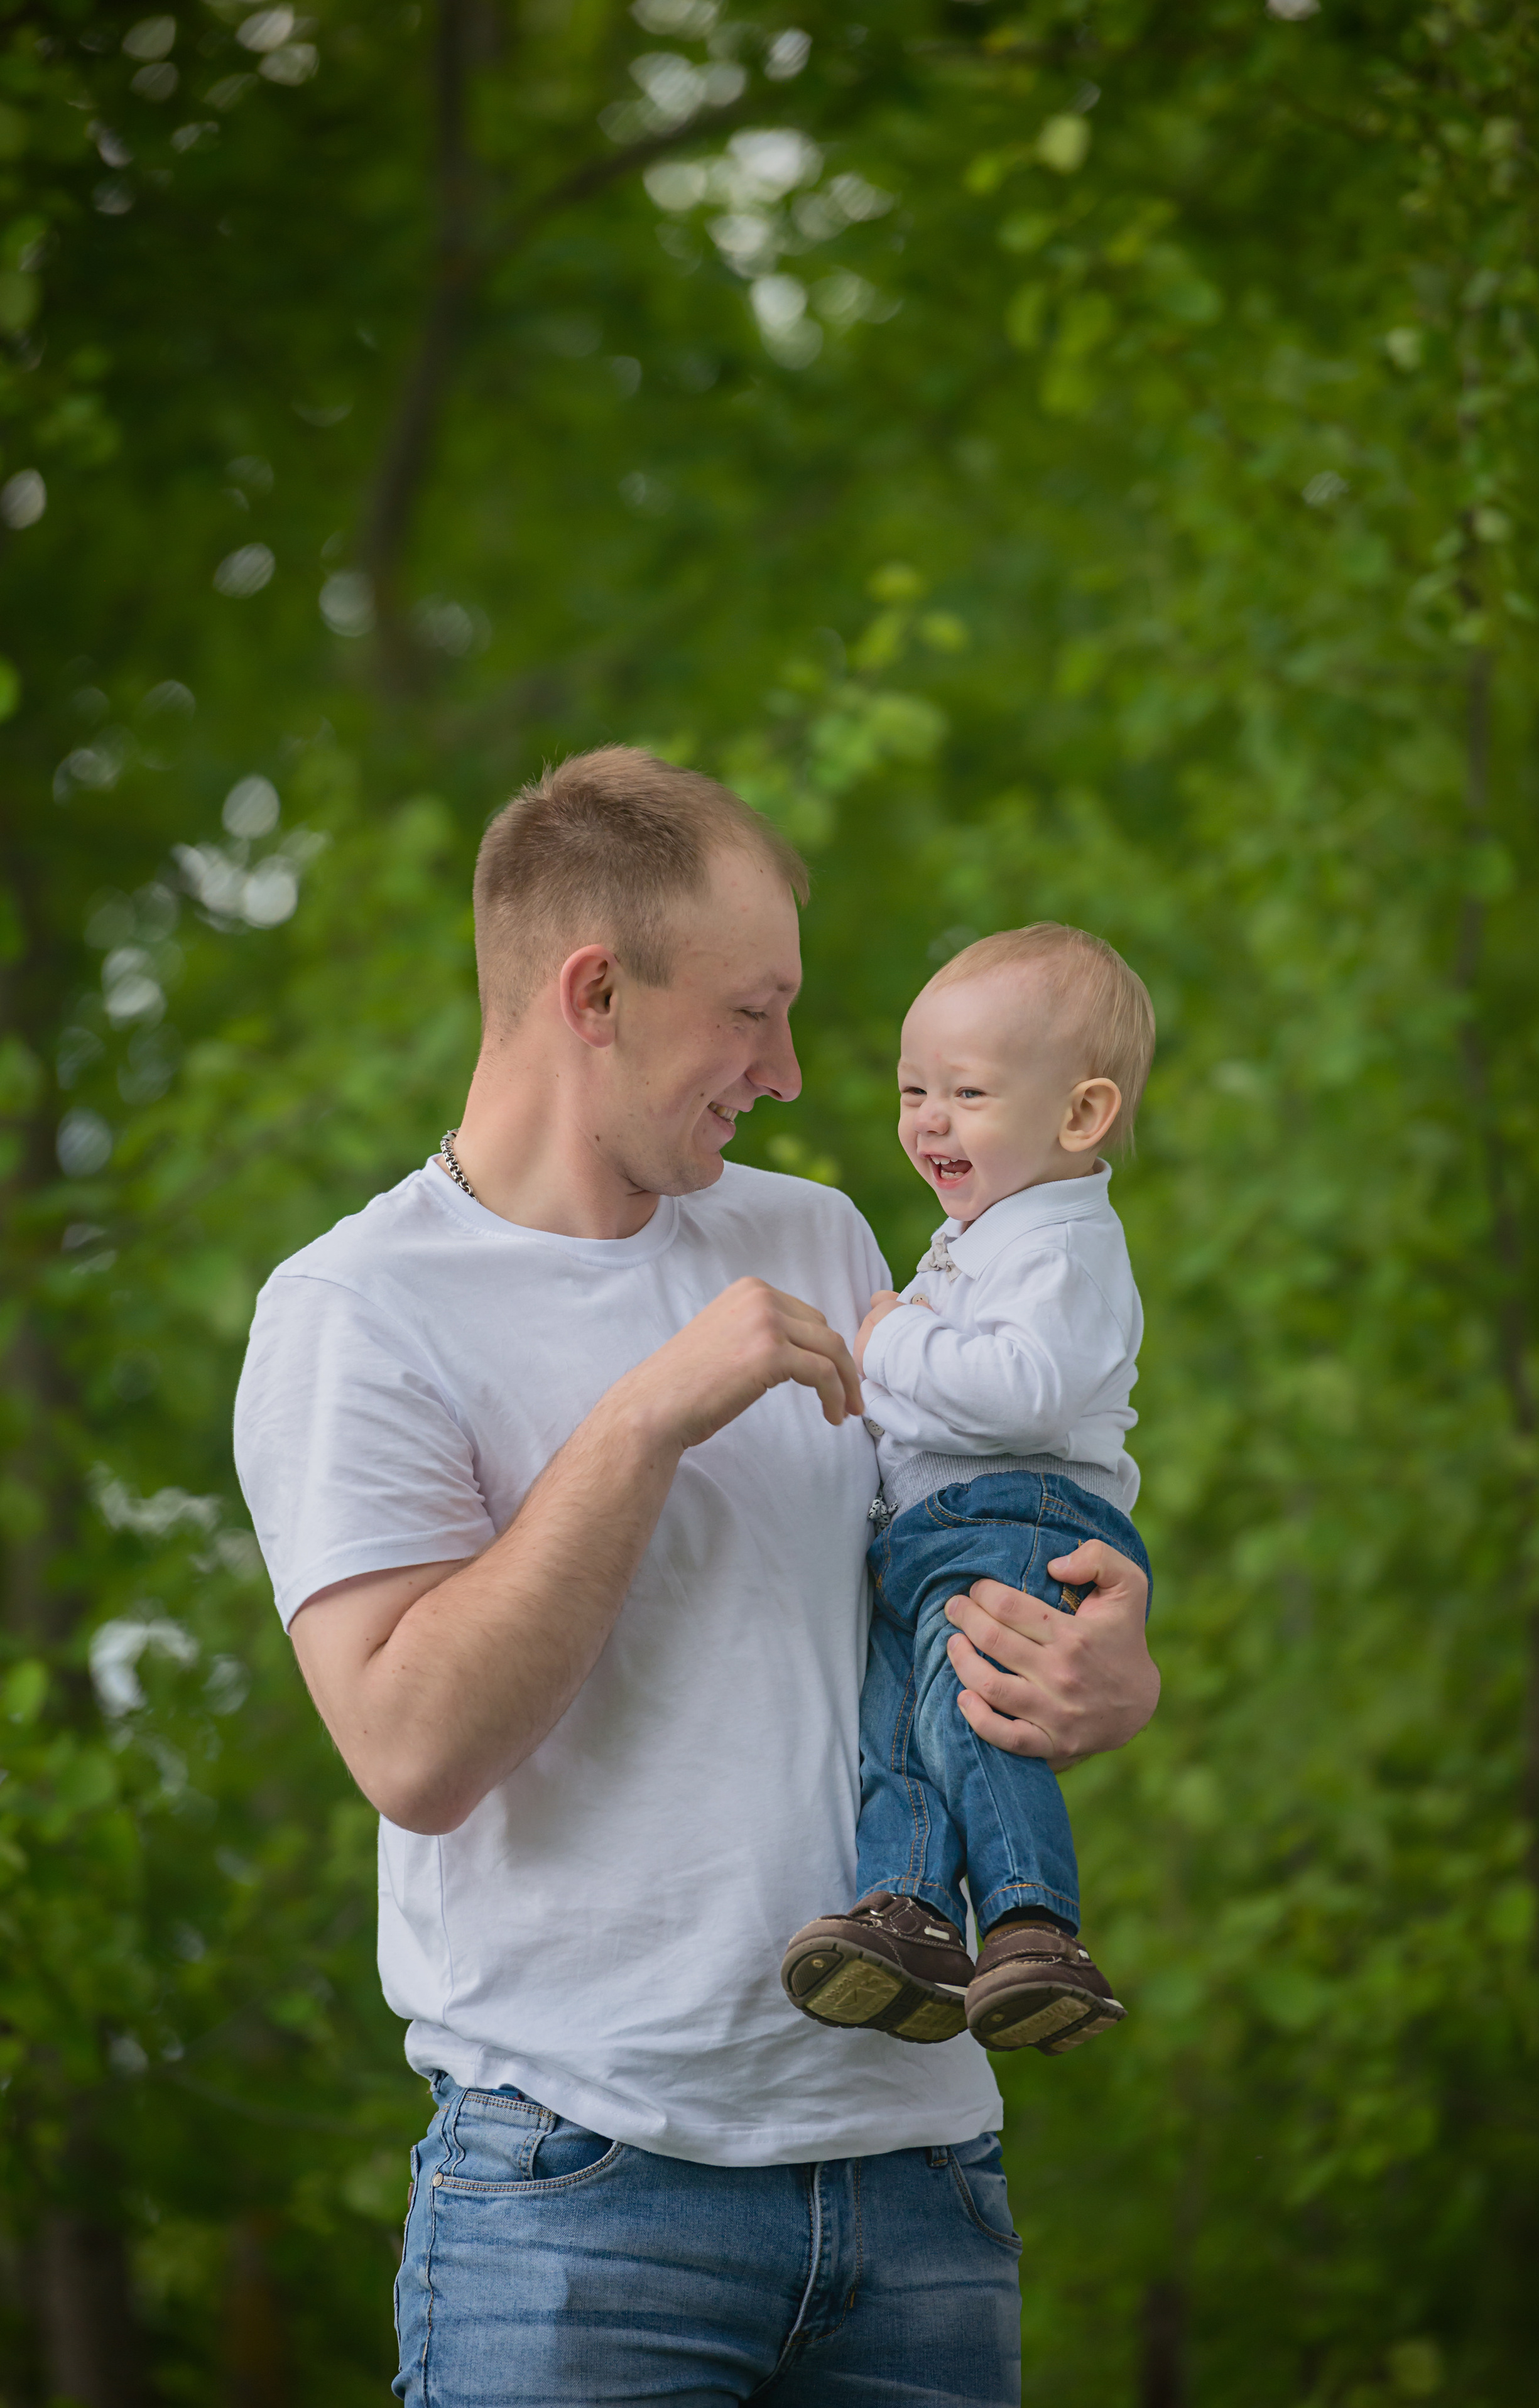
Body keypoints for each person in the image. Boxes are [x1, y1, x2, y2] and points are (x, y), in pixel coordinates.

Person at [232, 748, 1159, 2407]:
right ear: (596, 991)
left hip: (923, 2183)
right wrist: (648, 1411)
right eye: (755, 1011)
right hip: (583, 2215)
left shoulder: (813, 1238)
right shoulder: (356, 1308)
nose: (792, 1073)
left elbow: (934, 1581)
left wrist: (1100, 1659)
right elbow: (412, 1749)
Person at [781, 926, 1153, 2060]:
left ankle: (1036, 1925)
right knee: (898, 1728)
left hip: (1018, 1512)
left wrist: (887, 1344)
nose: (928, 1119)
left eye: (967, 1092)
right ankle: (907, 1912)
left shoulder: (1064, 1246)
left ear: (1080, 1117)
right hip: (939, 1529)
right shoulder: (984, 1232)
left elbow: (1027, 1393)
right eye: (912, 1092)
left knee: (974, 1710)